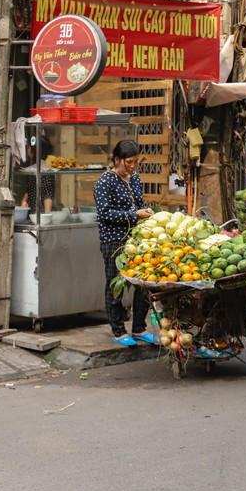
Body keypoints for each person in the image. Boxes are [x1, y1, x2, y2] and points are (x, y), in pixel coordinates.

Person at [93, 139, 156, 347]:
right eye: (128, 162)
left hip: (136, 239)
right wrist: (134, 214)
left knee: (142, 284)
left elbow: (139, 203)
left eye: (136, 162)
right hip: (113, 241)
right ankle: (118, 330)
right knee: (115, 286)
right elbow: (105, 214)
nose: (132, 166)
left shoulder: (135, 177)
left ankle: (139, 328)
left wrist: (145, 212)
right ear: (117, 159)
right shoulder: (104, 182)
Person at [17, 134, 55, 214]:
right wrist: (24, 200)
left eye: (29, 147)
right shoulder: (34, 168)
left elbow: (48, 195)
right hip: (33, 213)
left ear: (35, 150)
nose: (28, 150)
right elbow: (30, 188)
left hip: (41, 215)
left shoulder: (45, 170)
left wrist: (47, 216)